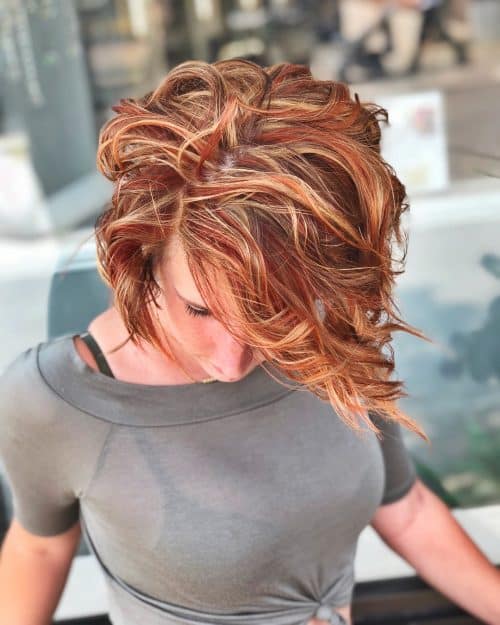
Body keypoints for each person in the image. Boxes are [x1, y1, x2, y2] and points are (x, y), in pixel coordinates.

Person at [0, 59, 499, 625]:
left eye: (276, 314)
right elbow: (38, 550)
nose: (232, 359)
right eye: (200, 309)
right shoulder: (54, 400)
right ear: (141, 254)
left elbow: (405, 509)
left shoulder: (328, 336)